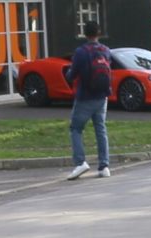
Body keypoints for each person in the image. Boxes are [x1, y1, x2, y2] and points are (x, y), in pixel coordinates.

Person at [64, 20, 111, 180]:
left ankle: (80, 162)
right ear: (99, 33)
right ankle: (104, 166)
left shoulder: (81, 52)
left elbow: (72, 75)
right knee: (100, 129)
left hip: (85, 96)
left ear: (85, 33)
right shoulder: (106, 50)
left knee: (75, 129)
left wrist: (68, 73)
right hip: (102, 96)